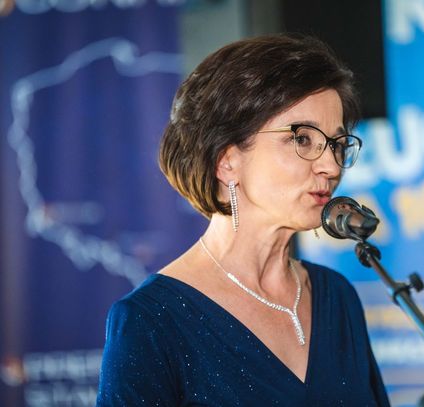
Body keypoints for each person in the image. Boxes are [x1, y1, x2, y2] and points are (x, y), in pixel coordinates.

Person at [97, 33, 390, 406]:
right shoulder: (151, 321)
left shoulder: (336, 295)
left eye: (336, 144)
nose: (331, 166)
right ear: (227, 161)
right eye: (302, 139)